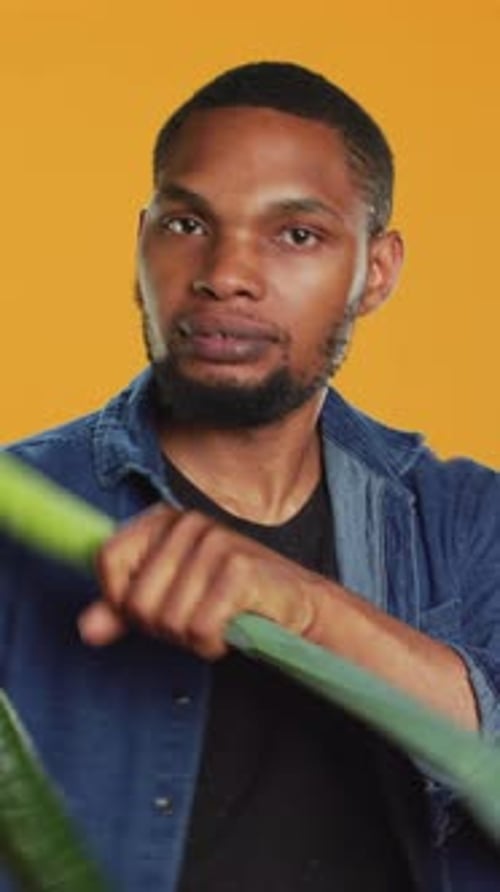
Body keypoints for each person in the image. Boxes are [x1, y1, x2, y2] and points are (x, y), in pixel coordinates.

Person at [1, 61, 499, 892]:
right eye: (187, 223)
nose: (225, 273)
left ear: (376, 271)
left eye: (295, 234)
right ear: (141, 242)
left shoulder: (468, 521)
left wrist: (304, 608)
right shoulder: (18, 515)